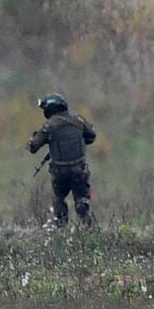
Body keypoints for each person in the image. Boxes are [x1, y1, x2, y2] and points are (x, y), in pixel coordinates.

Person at [27, 93, 97, 226]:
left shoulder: (49, 125)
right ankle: (87, 224)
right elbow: (91, 136)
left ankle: (61, 226)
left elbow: (33, 146)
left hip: (59, 171)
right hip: (79, 169)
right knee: (81, 198)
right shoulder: (78, 120)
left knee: (59, 199)